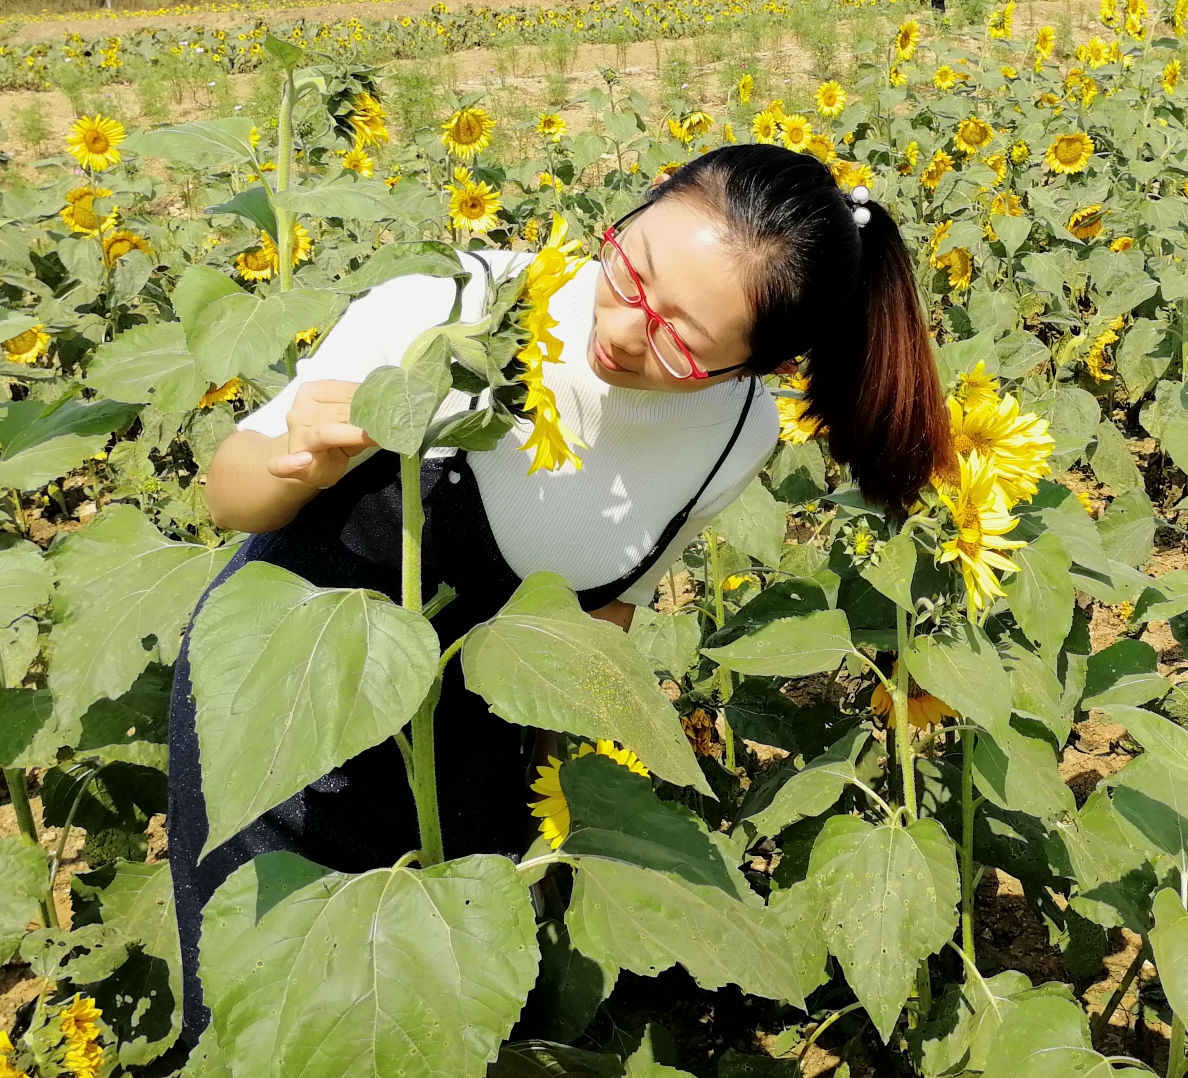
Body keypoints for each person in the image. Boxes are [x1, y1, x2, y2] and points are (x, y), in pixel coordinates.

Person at [167, 143, 951, 1046]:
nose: (623, 330)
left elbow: (602, 619)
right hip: (290, 712)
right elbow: (230, 494)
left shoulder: (735, 434)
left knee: (435, 1019)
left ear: (751, 370)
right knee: (265, 1017)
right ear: (636, 208)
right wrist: (295, 457)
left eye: (681, 343)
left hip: (479, 758)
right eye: (631, 272)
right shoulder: (458, 307)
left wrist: (578, 813)